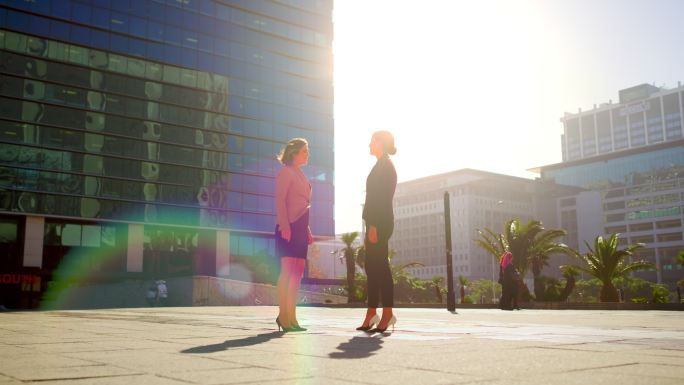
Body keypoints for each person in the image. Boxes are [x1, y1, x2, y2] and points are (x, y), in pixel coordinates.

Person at [356, 131, 398, 333]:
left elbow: (381, 199)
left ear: (381, 143)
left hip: (380, 223)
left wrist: (373, 225)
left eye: (372, 140)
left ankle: (388, 314)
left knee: (381, 268)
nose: (369, 144)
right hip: (374, 222)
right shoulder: (379, 165)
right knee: (372, 270)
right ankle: (371, 313)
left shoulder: (386, 167)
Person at [275, 138, 313, 332]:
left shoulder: (301, 175)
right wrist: (285, 227)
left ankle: (293, 318)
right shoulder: (286, 172)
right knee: (287, 272)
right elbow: (280, 200)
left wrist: (306, 229)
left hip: (300, 228)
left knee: (297, 273)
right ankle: (283, 315)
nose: (307, 154)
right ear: (294, 153)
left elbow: (303, 204)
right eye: (304, 151)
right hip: (288, 227)